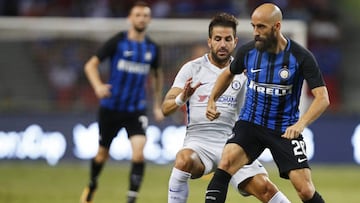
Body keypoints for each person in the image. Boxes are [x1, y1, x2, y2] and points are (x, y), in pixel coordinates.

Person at [205, 3, 329, 203]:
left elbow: (322, 98)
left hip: (284, 128)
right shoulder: (248, 52)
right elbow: (228, 73)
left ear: (277, 26)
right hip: (251, 123)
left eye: (261, 27)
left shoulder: (301, 57)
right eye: (254, 26)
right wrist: (212, 99)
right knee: (226, 163)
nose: (256, 32)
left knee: (305, 190)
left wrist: (300, 125)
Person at [162, 13, 290, 203]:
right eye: (218, 39)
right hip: (199, 143)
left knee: (265, 189)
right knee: (183, 160)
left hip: (235, 143)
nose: (223, 44)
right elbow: (166, 108)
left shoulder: (246, 71)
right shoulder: (192, 69)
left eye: (228, 39)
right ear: (209, 42)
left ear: (235, 41)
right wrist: (183, 97)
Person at [80, 1, 164, 203]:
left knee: (139, 154)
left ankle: (131, 199)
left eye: (145, 15)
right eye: (138, 15)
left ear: (149, 19)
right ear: (130, 18)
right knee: (102, 155)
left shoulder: (152, 48)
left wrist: (156, 104)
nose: (141, 19)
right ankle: (92, 184)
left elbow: (157, 75)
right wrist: (98, 86)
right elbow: (90, 65)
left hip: (136, 109)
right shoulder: (118, 42)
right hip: (111, 108)